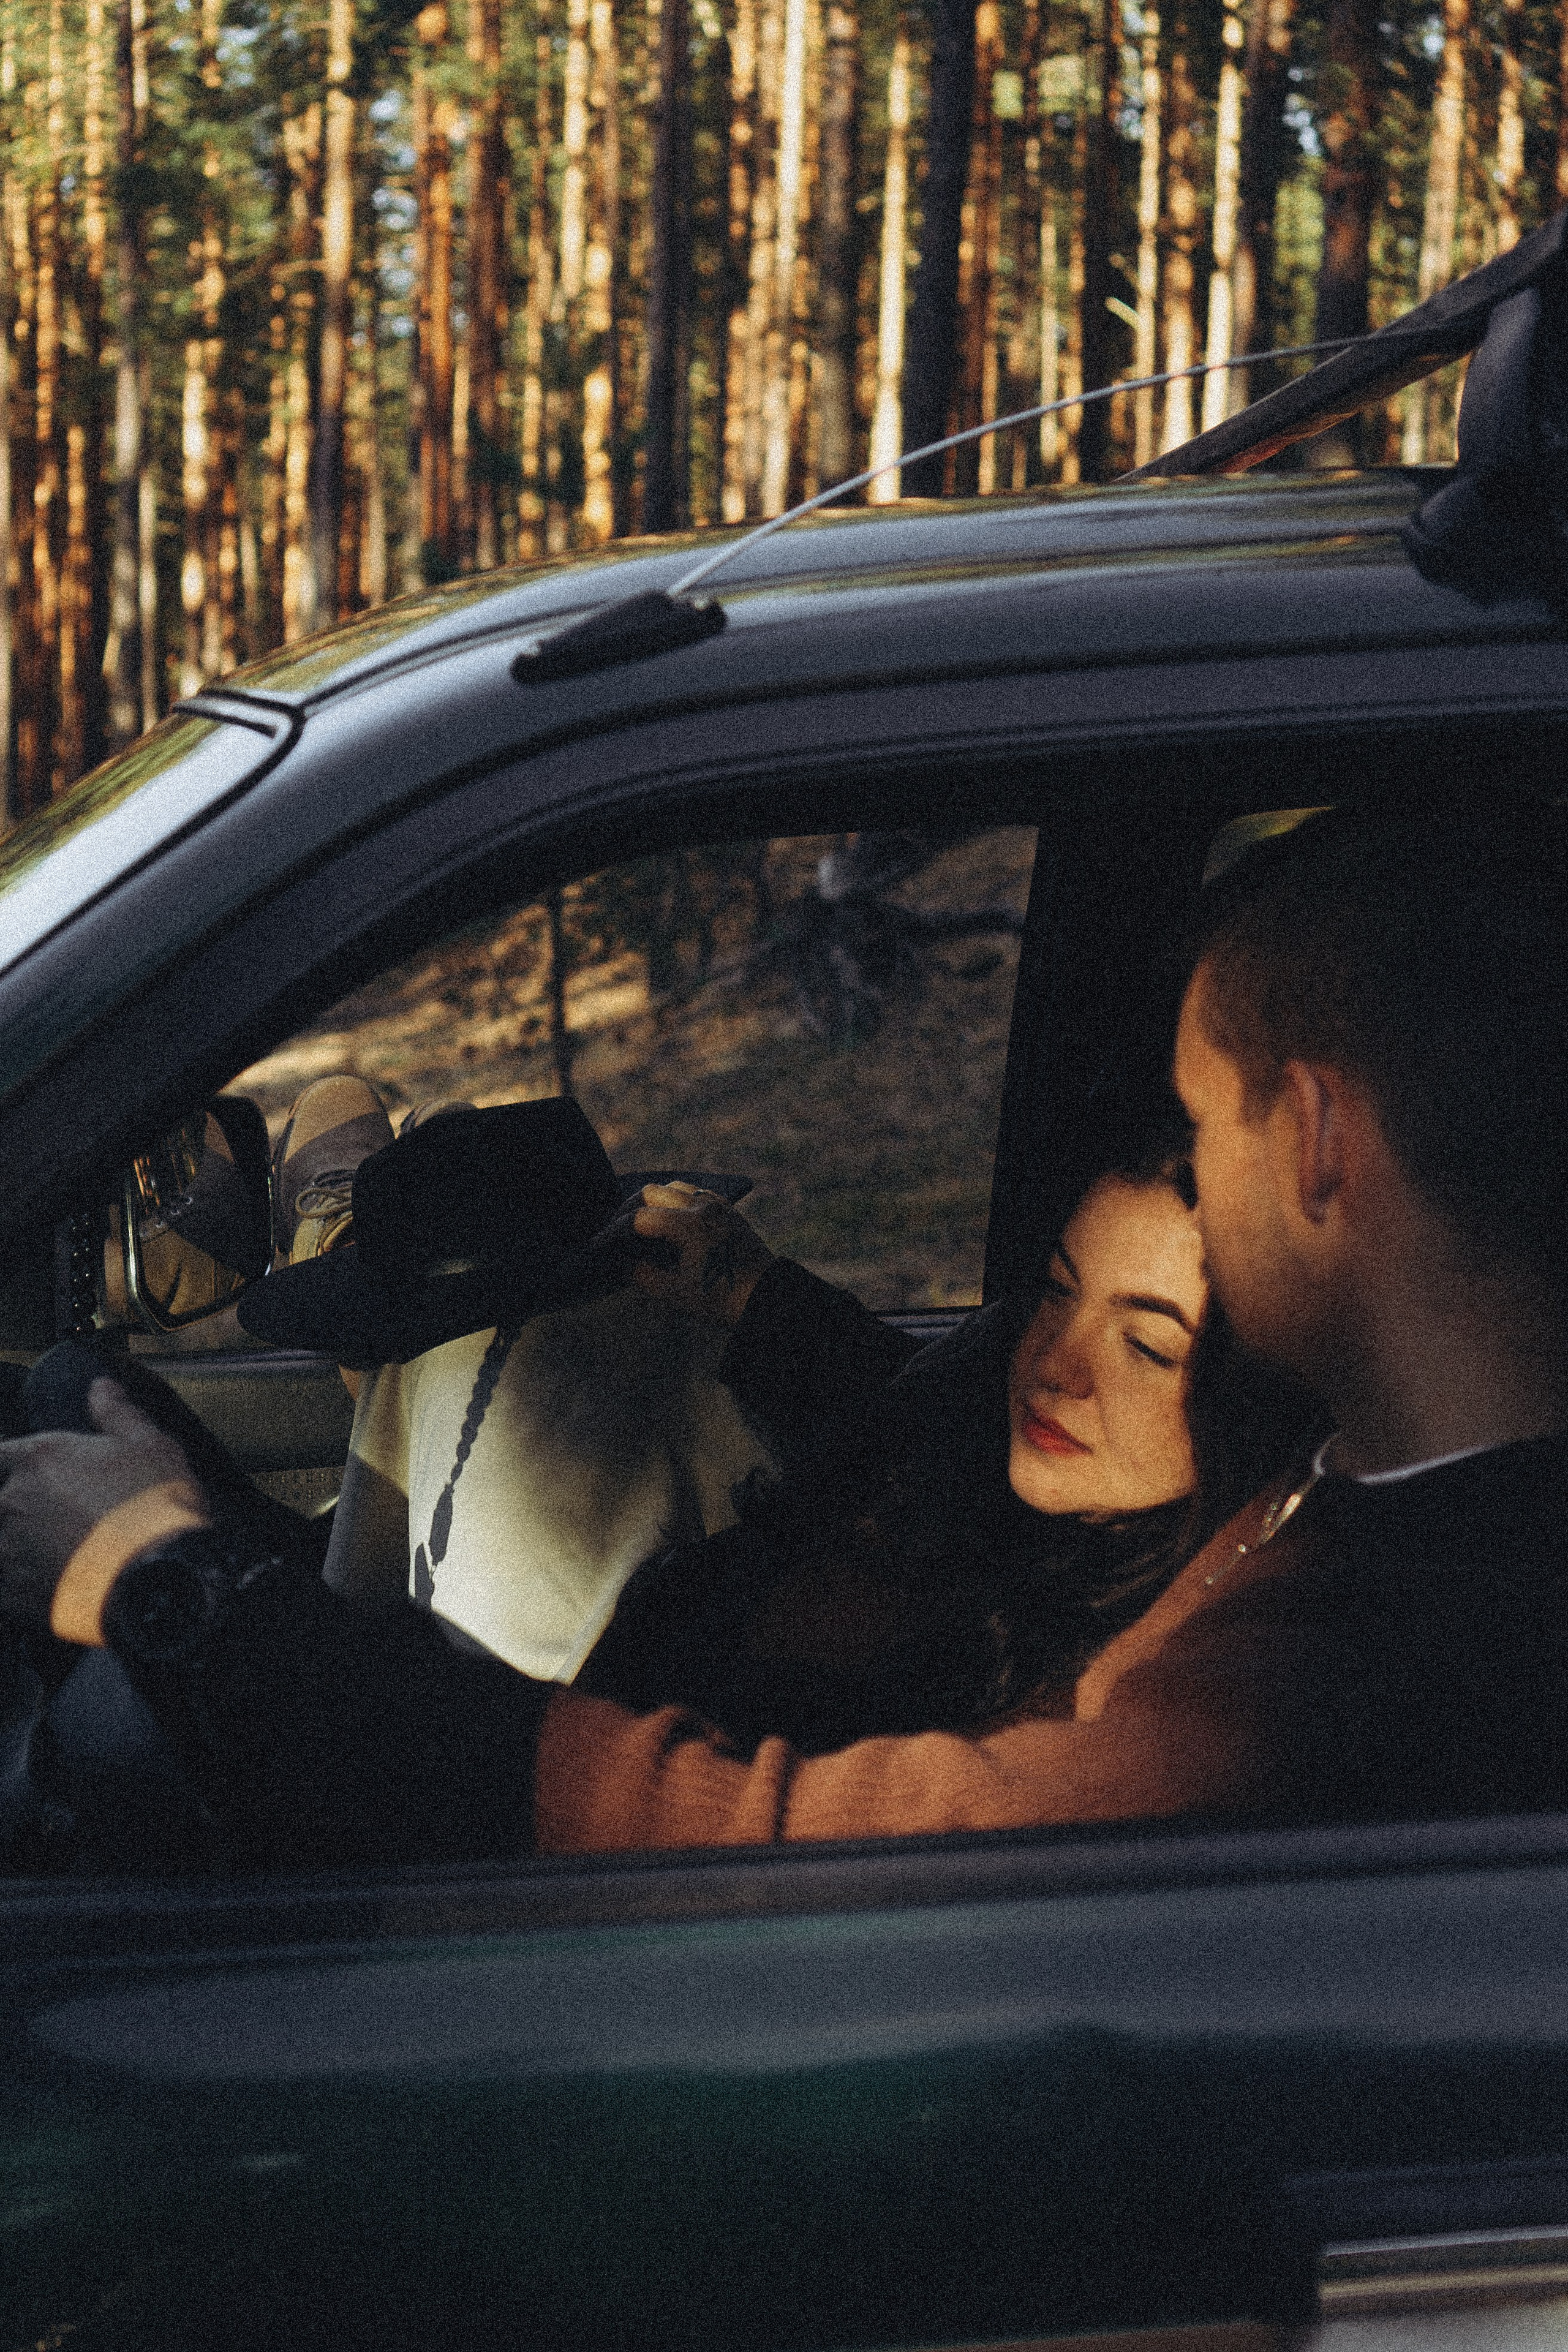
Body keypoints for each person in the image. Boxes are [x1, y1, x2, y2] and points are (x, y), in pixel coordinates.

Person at [2, 793, 1567, 1863]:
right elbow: (933, 1408)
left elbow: (778, 1843)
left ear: (1311, 1140)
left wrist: (181, 1594)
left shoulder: (1388, 1656)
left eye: (1198, 1117)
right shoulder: (1365, 1506)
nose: (1182, 1172)